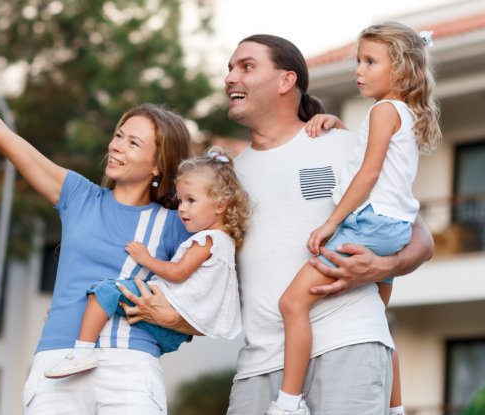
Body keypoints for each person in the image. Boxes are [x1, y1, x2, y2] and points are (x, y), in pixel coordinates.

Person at [0, 32, 195, 413]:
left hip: (128, 365)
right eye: (118, 135)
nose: (116, 146)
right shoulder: (79, 196)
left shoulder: (178, 225)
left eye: (133, 143)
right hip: (58, 361)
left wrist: (174, 318)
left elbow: (216, 304)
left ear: (159, 164)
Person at [117, 34, 435, 415]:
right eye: (230, 68)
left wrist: (385, 266)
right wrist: (183, 319)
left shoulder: (341, 144)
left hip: (347, 347)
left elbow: (417, 231)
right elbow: (215, 273)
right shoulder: (225, 179)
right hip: (259, 366)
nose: (231, 77)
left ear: (286, 81)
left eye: (246, 67)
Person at [271, 22, 441, 415]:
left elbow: (368, 174)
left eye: (369, 61)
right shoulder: (404, 113)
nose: (358, 71)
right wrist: (339, 125)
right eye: (358, 61)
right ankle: (395, 408)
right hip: (393, 231)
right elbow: (372, 154)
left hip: (367, 225)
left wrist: (331, 223)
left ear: (400, 69)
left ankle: (288, 402)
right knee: (375, 323)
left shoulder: (383, 110)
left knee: (292, 302)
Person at [44, 147, 250, 379]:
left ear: (220, 205)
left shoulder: (206, 240)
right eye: (181, 200)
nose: (182, 208)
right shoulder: (226, 242)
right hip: (176, 328)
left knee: (105, 291)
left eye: (191, 200)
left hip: (169, 311)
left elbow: (178, 272)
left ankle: (81, 353)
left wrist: (146, 259)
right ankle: (75, 315)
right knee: (111, 301)